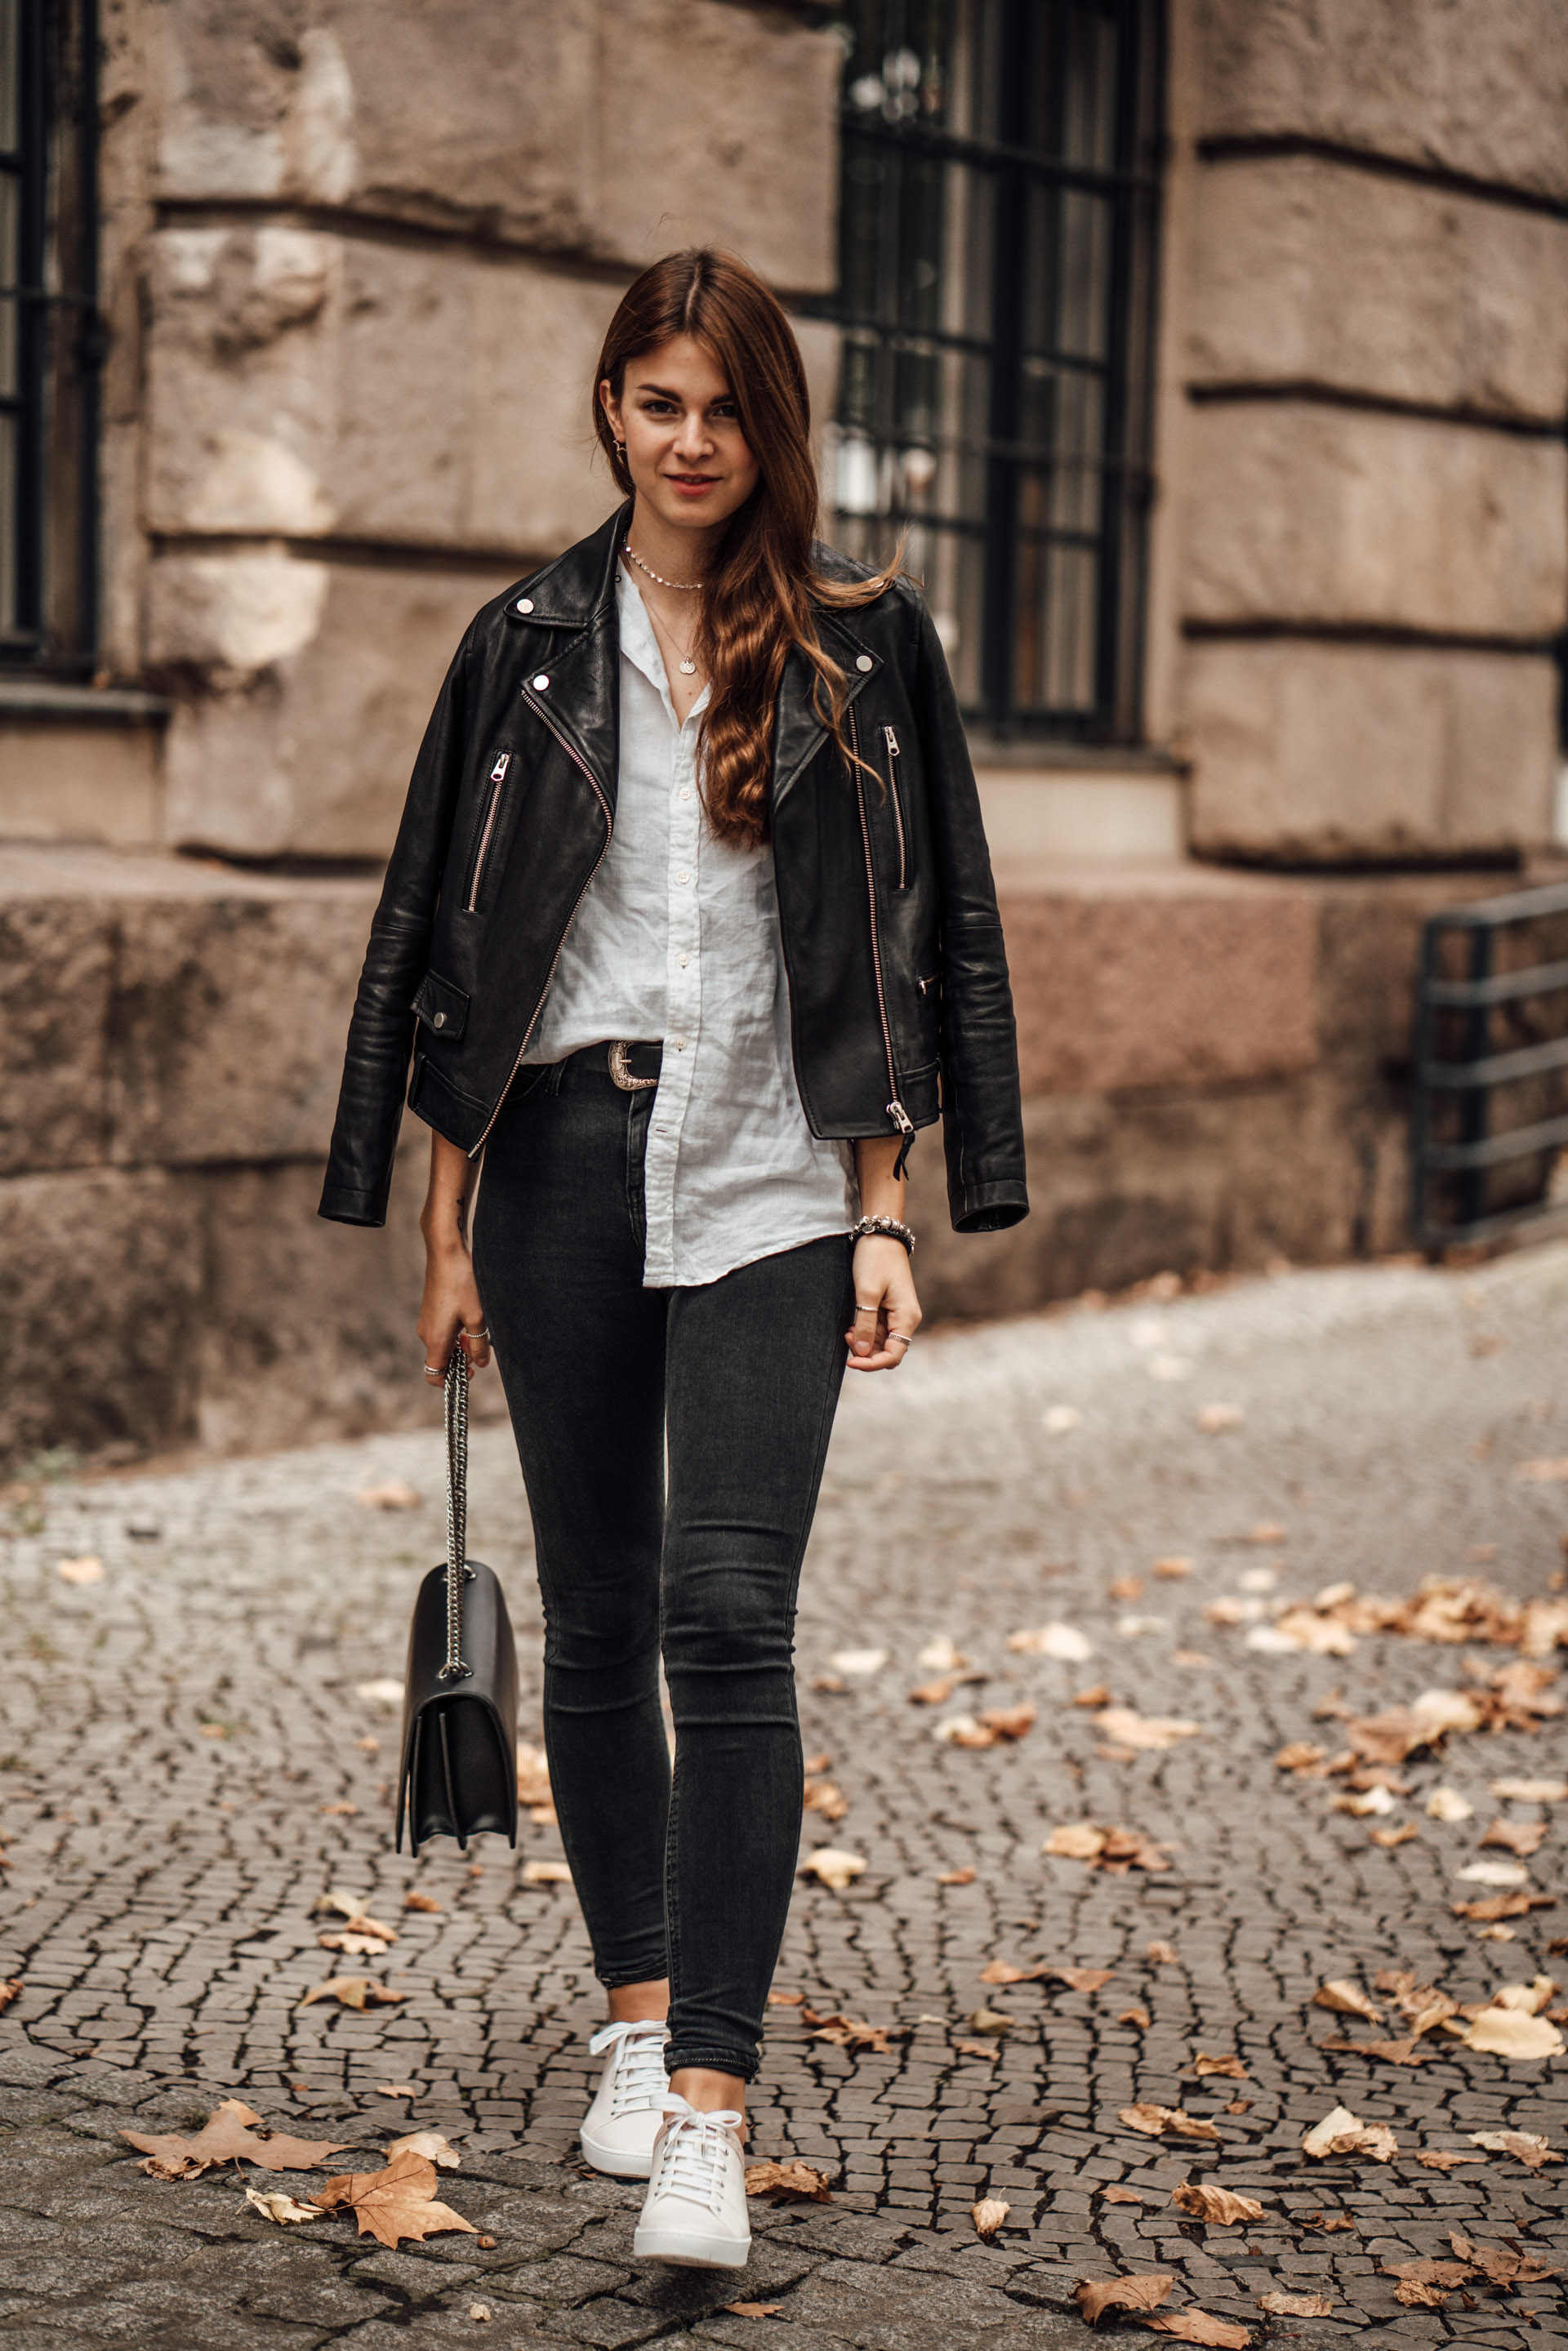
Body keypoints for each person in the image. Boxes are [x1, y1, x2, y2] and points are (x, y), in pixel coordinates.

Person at [319, 247, 1026, 2271]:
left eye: (725, 407)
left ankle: (710, 2103)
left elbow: (918, 935)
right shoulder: (522, 642)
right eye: (657, 403)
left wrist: (892, 1209)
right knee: (605, 1601)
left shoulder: (867, 648)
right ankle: (634, 2019)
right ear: (610, 413)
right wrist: (440, 1228)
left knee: (729, 1615)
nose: (691, 440)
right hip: (553, 1154)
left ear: (767, 424)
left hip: (777, 1176)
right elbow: (440, 940)